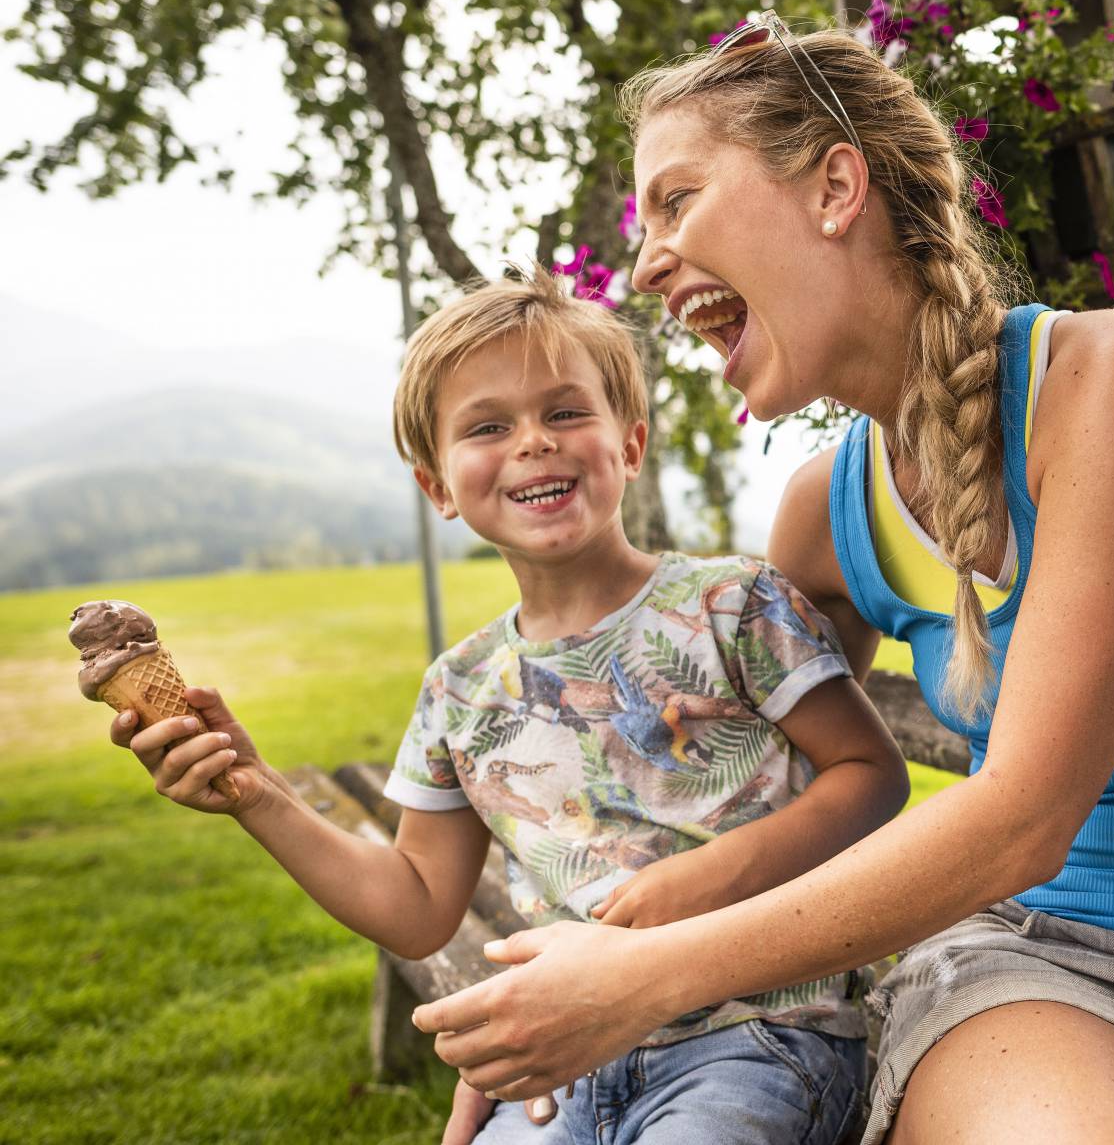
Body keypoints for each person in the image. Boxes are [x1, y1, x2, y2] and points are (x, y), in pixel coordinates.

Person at [413, 18, 1114, 1145]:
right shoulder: (829, 513)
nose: (645, 263)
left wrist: (634, 980)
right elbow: (725, 812)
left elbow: (1023, 816)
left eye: (677, 201)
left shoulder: (1108, 378)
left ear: (834, 187)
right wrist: (552, 999)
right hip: (1049, 975)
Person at [109, 269, 908, 1145]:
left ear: (630, 444)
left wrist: (702, 877)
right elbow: (416, 904)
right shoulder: (458, 687)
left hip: (758, 1039)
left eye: (566, 412)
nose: (535, 442)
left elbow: (870, 776)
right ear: (439, 487)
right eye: (489, 426)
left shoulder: (734, 605)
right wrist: (256, 792)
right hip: (564, 1057)